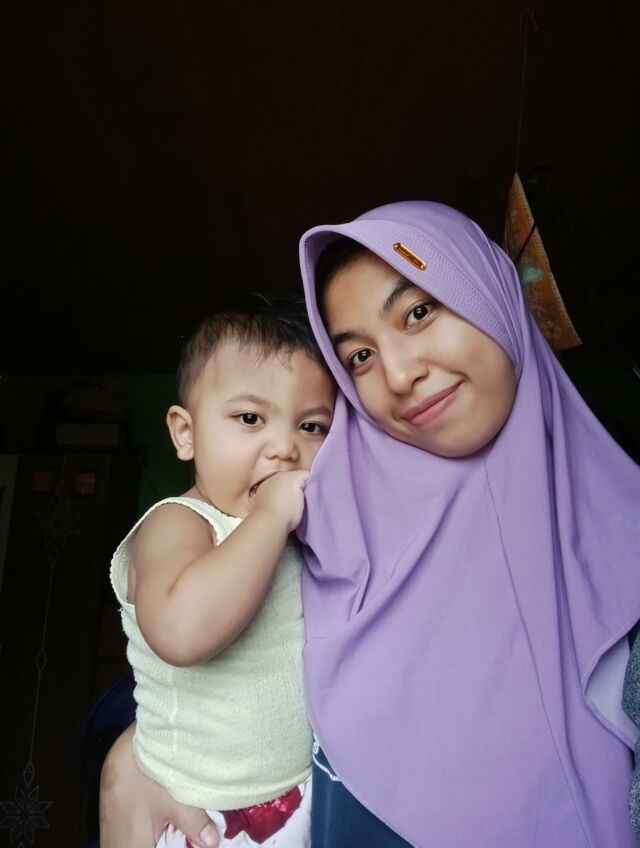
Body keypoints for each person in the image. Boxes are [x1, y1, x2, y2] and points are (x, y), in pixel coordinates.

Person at [102, 202, 640, 847]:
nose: (400, 374)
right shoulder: (322, 509)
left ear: (489, 290)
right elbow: (192, 653)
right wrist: (138, 759)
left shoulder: (621, 520)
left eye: (419, 311)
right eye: (357, 356)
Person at [104, 297, 335, 847]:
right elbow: (181, 632)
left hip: (295, 797)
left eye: (311, 426)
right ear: (186, 433)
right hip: (196, 806)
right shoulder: (179, 522)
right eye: (250, 418)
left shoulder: (296, 535)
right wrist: (272, 516)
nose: (285, 448)